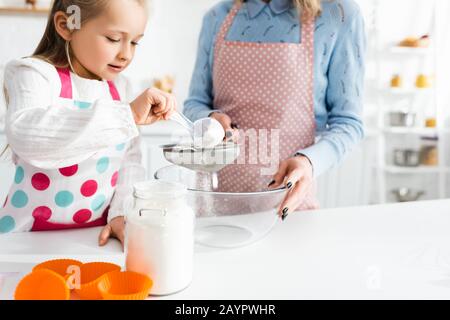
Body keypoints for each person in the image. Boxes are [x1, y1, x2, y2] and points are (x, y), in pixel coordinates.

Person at [0, 0, 176, 248]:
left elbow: (129, 163)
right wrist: (126, 115)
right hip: (27, 237)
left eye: (135, 42)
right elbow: (27, 136)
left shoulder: (121, 88)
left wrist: (120, 214)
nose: (126, 53)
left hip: (95, 237)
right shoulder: (34, 74)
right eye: (113, 38)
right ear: (66, 25)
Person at [184, 0, 366, 220]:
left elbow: (349, 123)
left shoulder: (339, 14)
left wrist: (308, 162)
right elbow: (194, 104)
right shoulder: (216, 17)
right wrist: (210, 120)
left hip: (289, 213)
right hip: (218, 213)